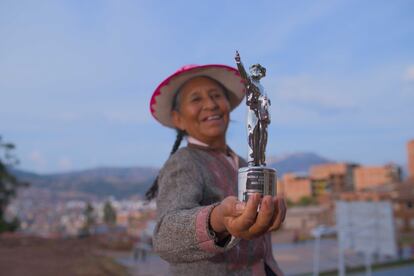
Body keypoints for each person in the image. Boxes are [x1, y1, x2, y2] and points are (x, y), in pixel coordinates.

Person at [146, 63, 286, 276]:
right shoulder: (184, 162)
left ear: (228, 106)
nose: (210, 104)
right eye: (196, 99)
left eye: (216, 96)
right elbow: (165, 236)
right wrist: (218, 219)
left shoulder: (243, 164)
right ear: (178, 118)